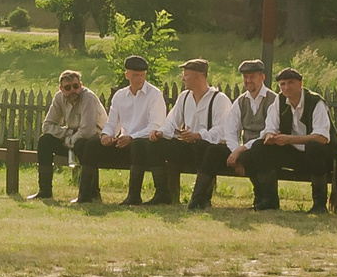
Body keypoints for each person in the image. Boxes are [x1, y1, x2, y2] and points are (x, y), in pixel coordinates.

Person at [150, 58, 238, 210]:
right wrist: (160, 133)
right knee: (157, 145)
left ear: (198, 76)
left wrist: (198, 135)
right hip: (188, 149)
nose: (183, 78)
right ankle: (163, 194)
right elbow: (172, 121)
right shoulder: (184, 97)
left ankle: (200, 198)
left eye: (186, 74)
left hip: (211, 152)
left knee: (203, 147)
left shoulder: (219, 100)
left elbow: (223, 131)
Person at [250, 67, 337, 213]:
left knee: (314, 147)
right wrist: (270, 137)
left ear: (300, 84)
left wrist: (289, 139)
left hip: (323, 158)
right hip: (295, 154)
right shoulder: (279, 101)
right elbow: (269, 128)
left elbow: (322, 137)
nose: (286, 87)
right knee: (260, 146)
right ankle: (269, 200)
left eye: (290, 83)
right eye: (282, 84)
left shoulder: (316, 102)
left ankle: (319, 204)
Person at [30, 69, 108, 205]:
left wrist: (70, 139)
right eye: (68, 87)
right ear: (61, 89)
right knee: (45, 141)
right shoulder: (59, 98)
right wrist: (68, 134)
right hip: (73, 138)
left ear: (81, 85)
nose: (73, 90)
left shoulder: (88, 98)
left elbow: (88, 131)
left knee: (84, 144)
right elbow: (47, 125)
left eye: (76, 86)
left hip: (97, 142)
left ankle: (90, 194)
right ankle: (45, 192)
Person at [100, 54, 168, 207]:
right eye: (136, 75)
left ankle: (134, 195)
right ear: (127, 75)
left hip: (144, 144)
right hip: (124, 142)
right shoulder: (119, 96)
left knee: (138, 145)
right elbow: (112, 123)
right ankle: (88, 193)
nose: (140, 79)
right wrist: (106, 135)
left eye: (142, 75)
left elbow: (155, 126)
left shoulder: (154, 95)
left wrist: (131, 137)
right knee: (91, 145)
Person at [225, 59, 276, 203]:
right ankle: (261, 196)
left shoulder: (273, 100)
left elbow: (268, 132)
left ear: (262, 77)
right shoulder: (240, 102)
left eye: (252, 76)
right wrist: (236, 151)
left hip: (267, 148)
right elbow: (230, 131)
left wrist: (241, 150)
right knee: (213, 152)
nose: (248, 80)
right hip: (245, 151)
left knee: (256, 151)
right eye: (245, 77)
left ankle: (264, 196)